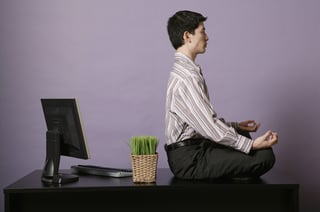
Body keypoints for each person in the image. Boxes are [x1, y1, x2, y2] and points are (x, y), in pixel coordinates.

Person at [164, 10, 278, 180]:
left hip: (196, 147)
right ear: (187, 36)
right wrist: (252, 145)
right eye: (203, 31)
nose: (207, 37)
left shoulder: (186, 71)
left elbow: (200, 121)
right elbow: (209, 127)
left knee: (244, 137)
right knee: (265, 156)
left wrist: (237, 126)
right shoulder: (187, 78)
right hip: (189, 160)